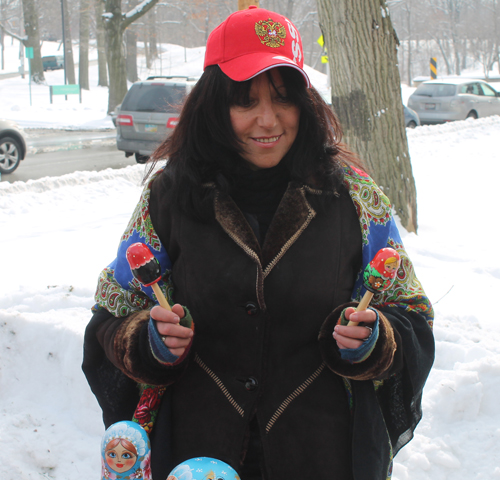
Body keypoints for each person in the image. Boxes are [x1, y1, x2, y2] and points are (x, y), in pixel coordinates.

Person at [83, 6, 435, 480]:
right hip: (197, 456)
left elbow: (411, 315)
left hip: (324, 453)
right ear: (214, 104)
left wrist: (373, 341)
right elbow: (111, 314)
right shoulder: (170, 197)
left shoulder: (354, 196)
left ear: (304, 102)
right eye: (245, 101)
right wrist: (148, 342)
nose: (268, 120)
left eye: (284, 98)